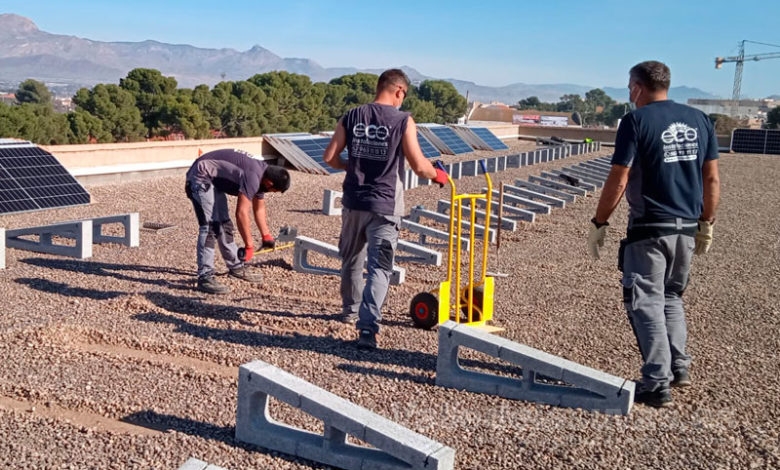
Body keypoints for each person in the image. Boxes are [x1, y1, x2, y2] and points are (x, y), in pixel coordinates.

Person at [587, 60, 720, 408]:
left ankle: (656, 382)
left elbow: (619, 177)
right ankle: (679, 368)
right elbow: (712, 180)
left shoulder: (635, 121)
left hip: (649, 230)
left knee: (644, 302)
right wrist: (707, 221)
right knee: (672, 297)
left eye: (630, 87)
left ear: (636, 87)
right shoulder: (700, 121)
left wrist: (599, 222)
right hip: (686, 230)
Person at [323, 68, 448, 350]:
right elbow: (418, 165)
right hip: (385, 205)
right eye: (403, 96)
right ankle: (367, 330)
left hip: (354, 202)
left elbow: (329, 157)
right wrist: (438, 175)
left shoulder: (351, 115)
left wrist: (351, 166)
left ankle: (350, 312)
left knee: (352, 259)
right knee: (380, 268)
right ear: (399, 91)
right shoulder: (403, 120)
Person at [185, 148, 290, 294]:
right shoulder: (254, 176)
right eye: (274, 191)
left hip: (214, 181)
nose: (272, 193)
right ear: (269, 183)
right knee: (210, 227)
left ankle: (235, 266)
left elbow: (259, 209)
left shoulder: (263, 177)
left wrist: (266, 236)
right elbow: (241, 213)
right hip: (200, 177)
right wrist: (249, 245)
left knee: (224, 225)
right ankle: (205, 276)